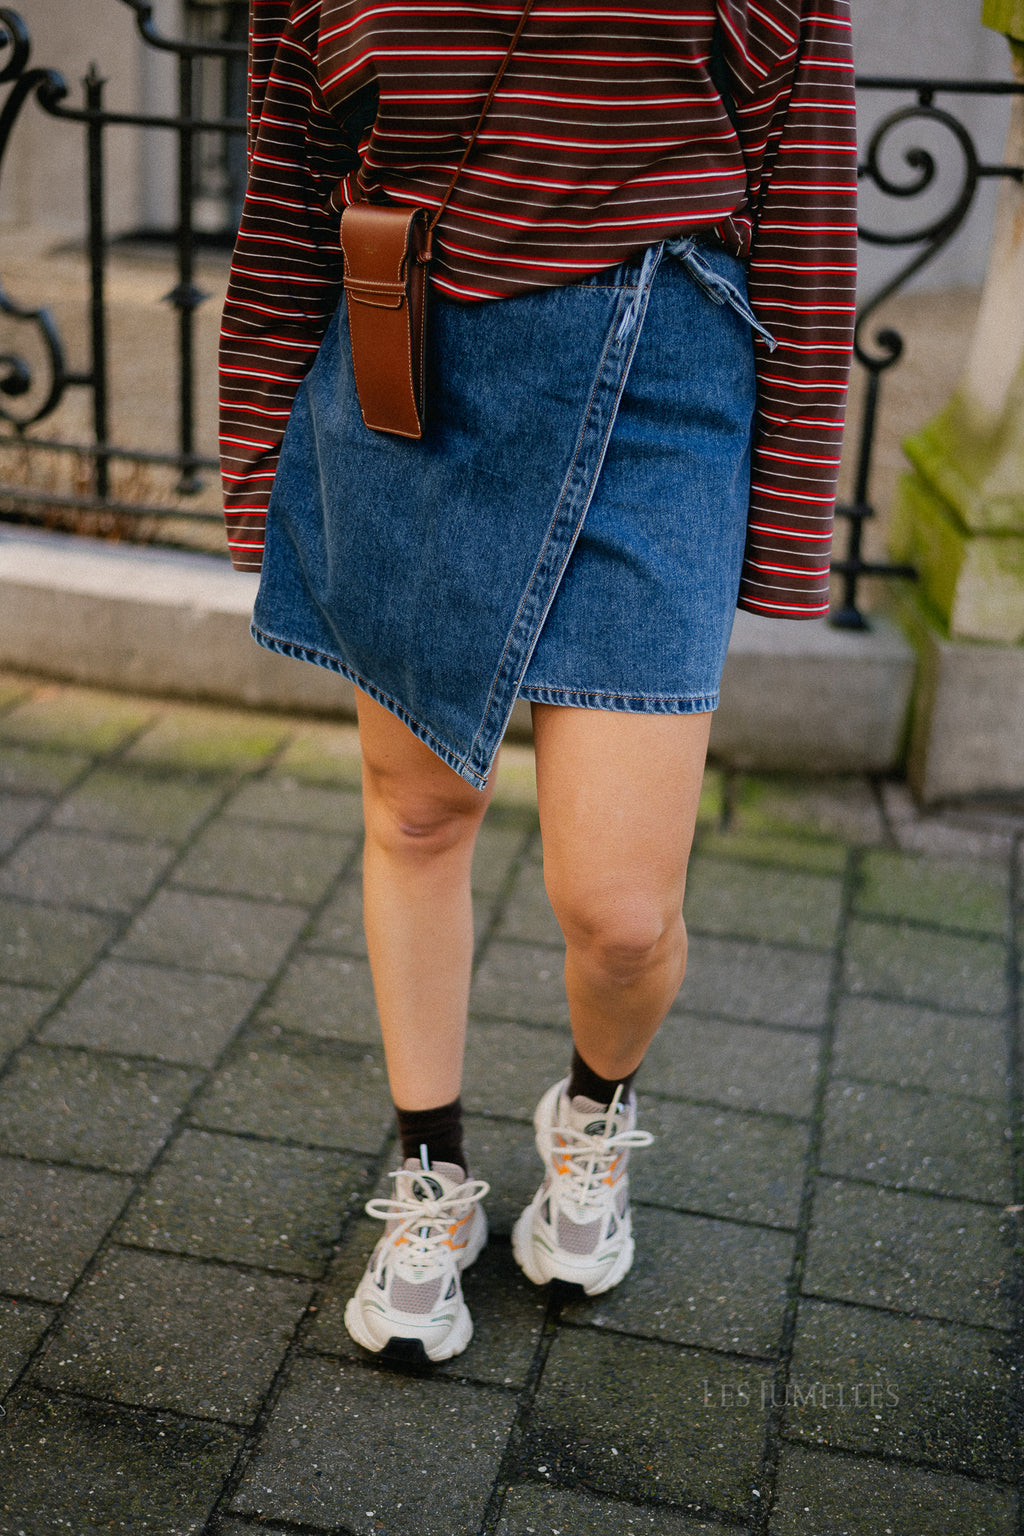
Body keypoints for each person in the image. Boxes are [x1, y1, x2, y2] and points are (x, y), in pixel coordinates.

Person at [219, 0, 857, 1364]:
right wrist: (258, 445)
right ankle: (431, 1174)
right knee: (416, 814)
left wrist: (793, 524)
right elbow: (286, 180)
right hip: (410, 361)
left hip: (664, 374)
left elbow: (804, 213)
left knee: (620, 909)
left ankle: (593, 1112)